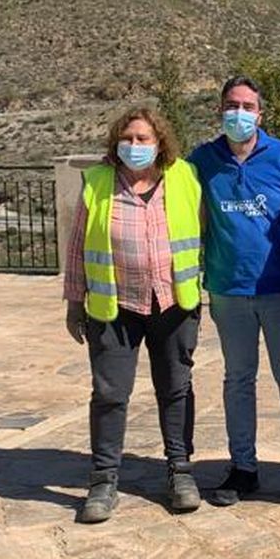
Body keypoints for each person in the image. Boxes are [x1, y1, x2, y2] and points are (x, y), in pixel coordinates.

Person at [64, 107, 205, 523]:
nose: (135, 146)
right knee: (109, 394)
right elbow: (77, 248)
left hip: (173, 301)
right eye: (128, 138)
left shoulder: (184, 177)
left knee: (176, 388)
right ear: (116, 143)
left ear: (160, 142)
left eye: (144, 138)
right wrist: (75, 302)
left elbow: (204, 231)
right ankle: (104, 480)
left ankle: (181, 471)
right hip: (115, 306)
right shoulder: (98, 183)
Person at [190, 75, 280, 508]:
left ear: (260, 114)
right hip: (228, 290)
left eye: (248, 106)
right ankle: (243, 467)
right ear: (220, 110)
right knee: (237, 379)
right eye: (232, 105)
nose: (240, 113)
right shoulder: (202, 161)